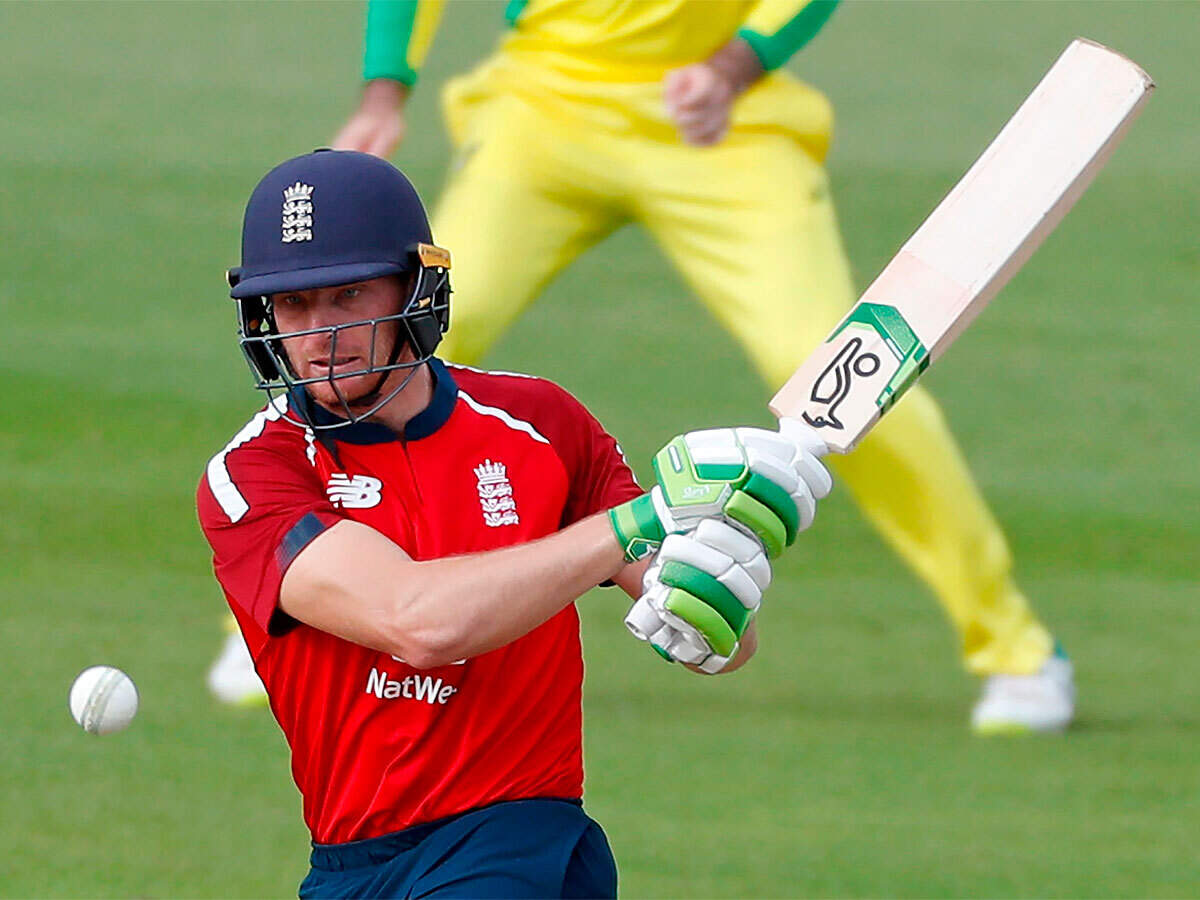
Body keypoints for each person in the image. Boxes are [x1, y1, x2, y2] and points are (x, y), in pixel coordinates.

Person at [322, 0, 1076, 733]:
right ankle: (309, 604)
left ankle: (1014, 645)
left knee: (844, 375)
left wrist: (732, 66)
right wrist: (385, 90)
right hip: (544, 106)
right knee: (387, 346)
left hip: (722, 122)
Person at [198, 149, 831, 897]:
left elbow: (717, 647)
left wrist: (724, 547)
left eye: (348, 295)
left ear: (417, 289)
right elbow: (417, 623)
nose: (318, 333)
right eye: (293, 304)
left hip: (516, 844)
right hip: (352, 866)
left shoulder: (542, 423)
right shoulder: (254, 476)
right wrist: (644, 518)